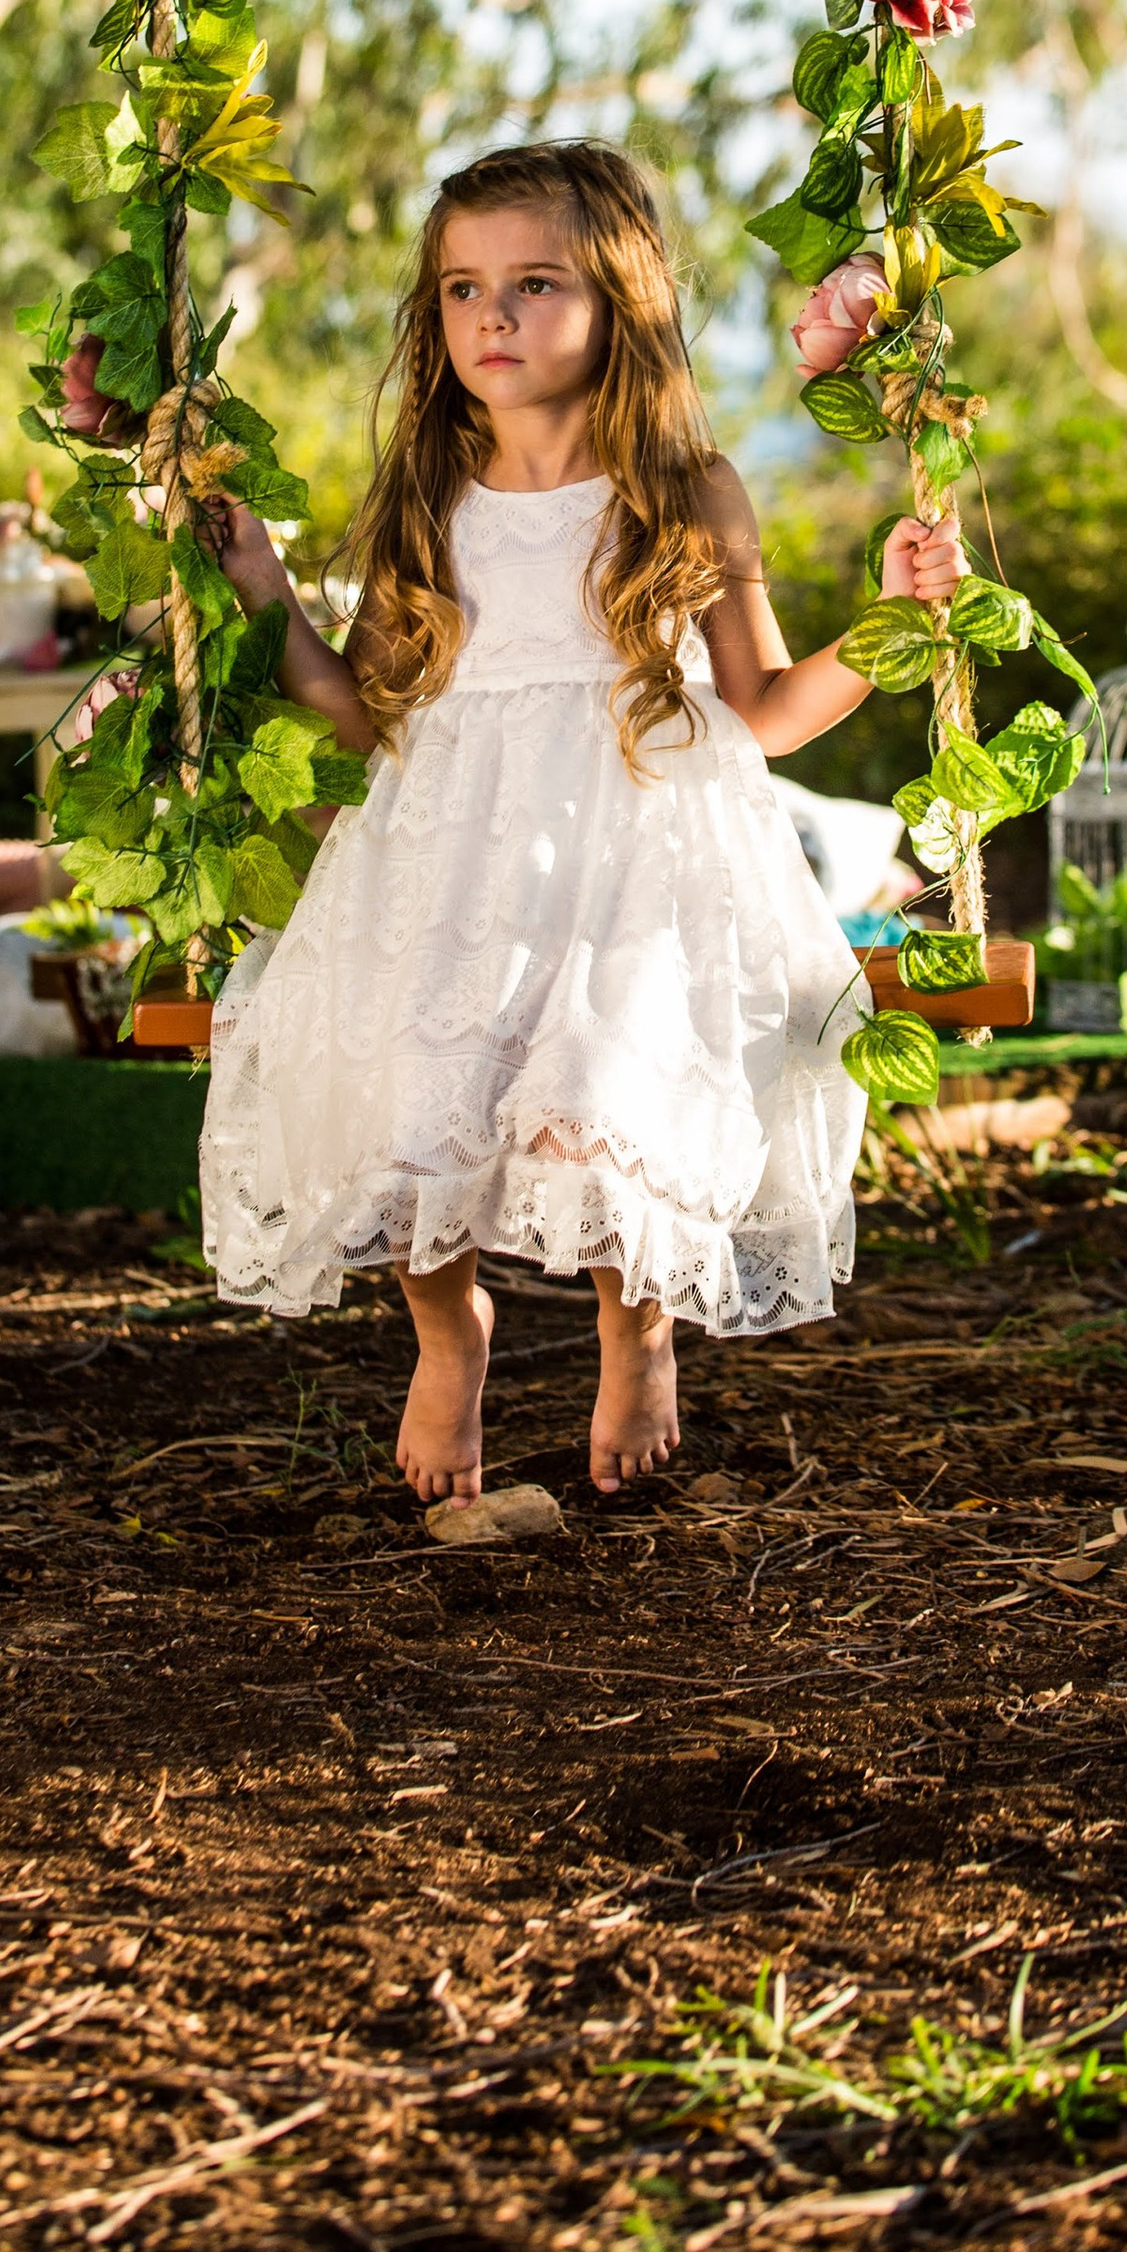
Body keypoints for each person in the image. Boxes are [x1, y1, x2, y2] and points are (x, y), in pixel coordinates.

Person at [198, 140, 967, 1503]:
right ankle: (450, 1335)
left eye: (535, 282)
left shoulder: (685, 493)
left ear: (620, 299)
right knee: (404, 1096)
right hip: (451, 858)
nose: (491, 316)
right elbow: (366, 712)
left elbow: (768, 708)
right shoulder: (427, 497)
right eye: (461, 288)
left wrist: (899, 623)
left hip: (631, 867)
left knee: (607, 1090)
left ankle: (638, 1325)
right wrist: (263, 588)